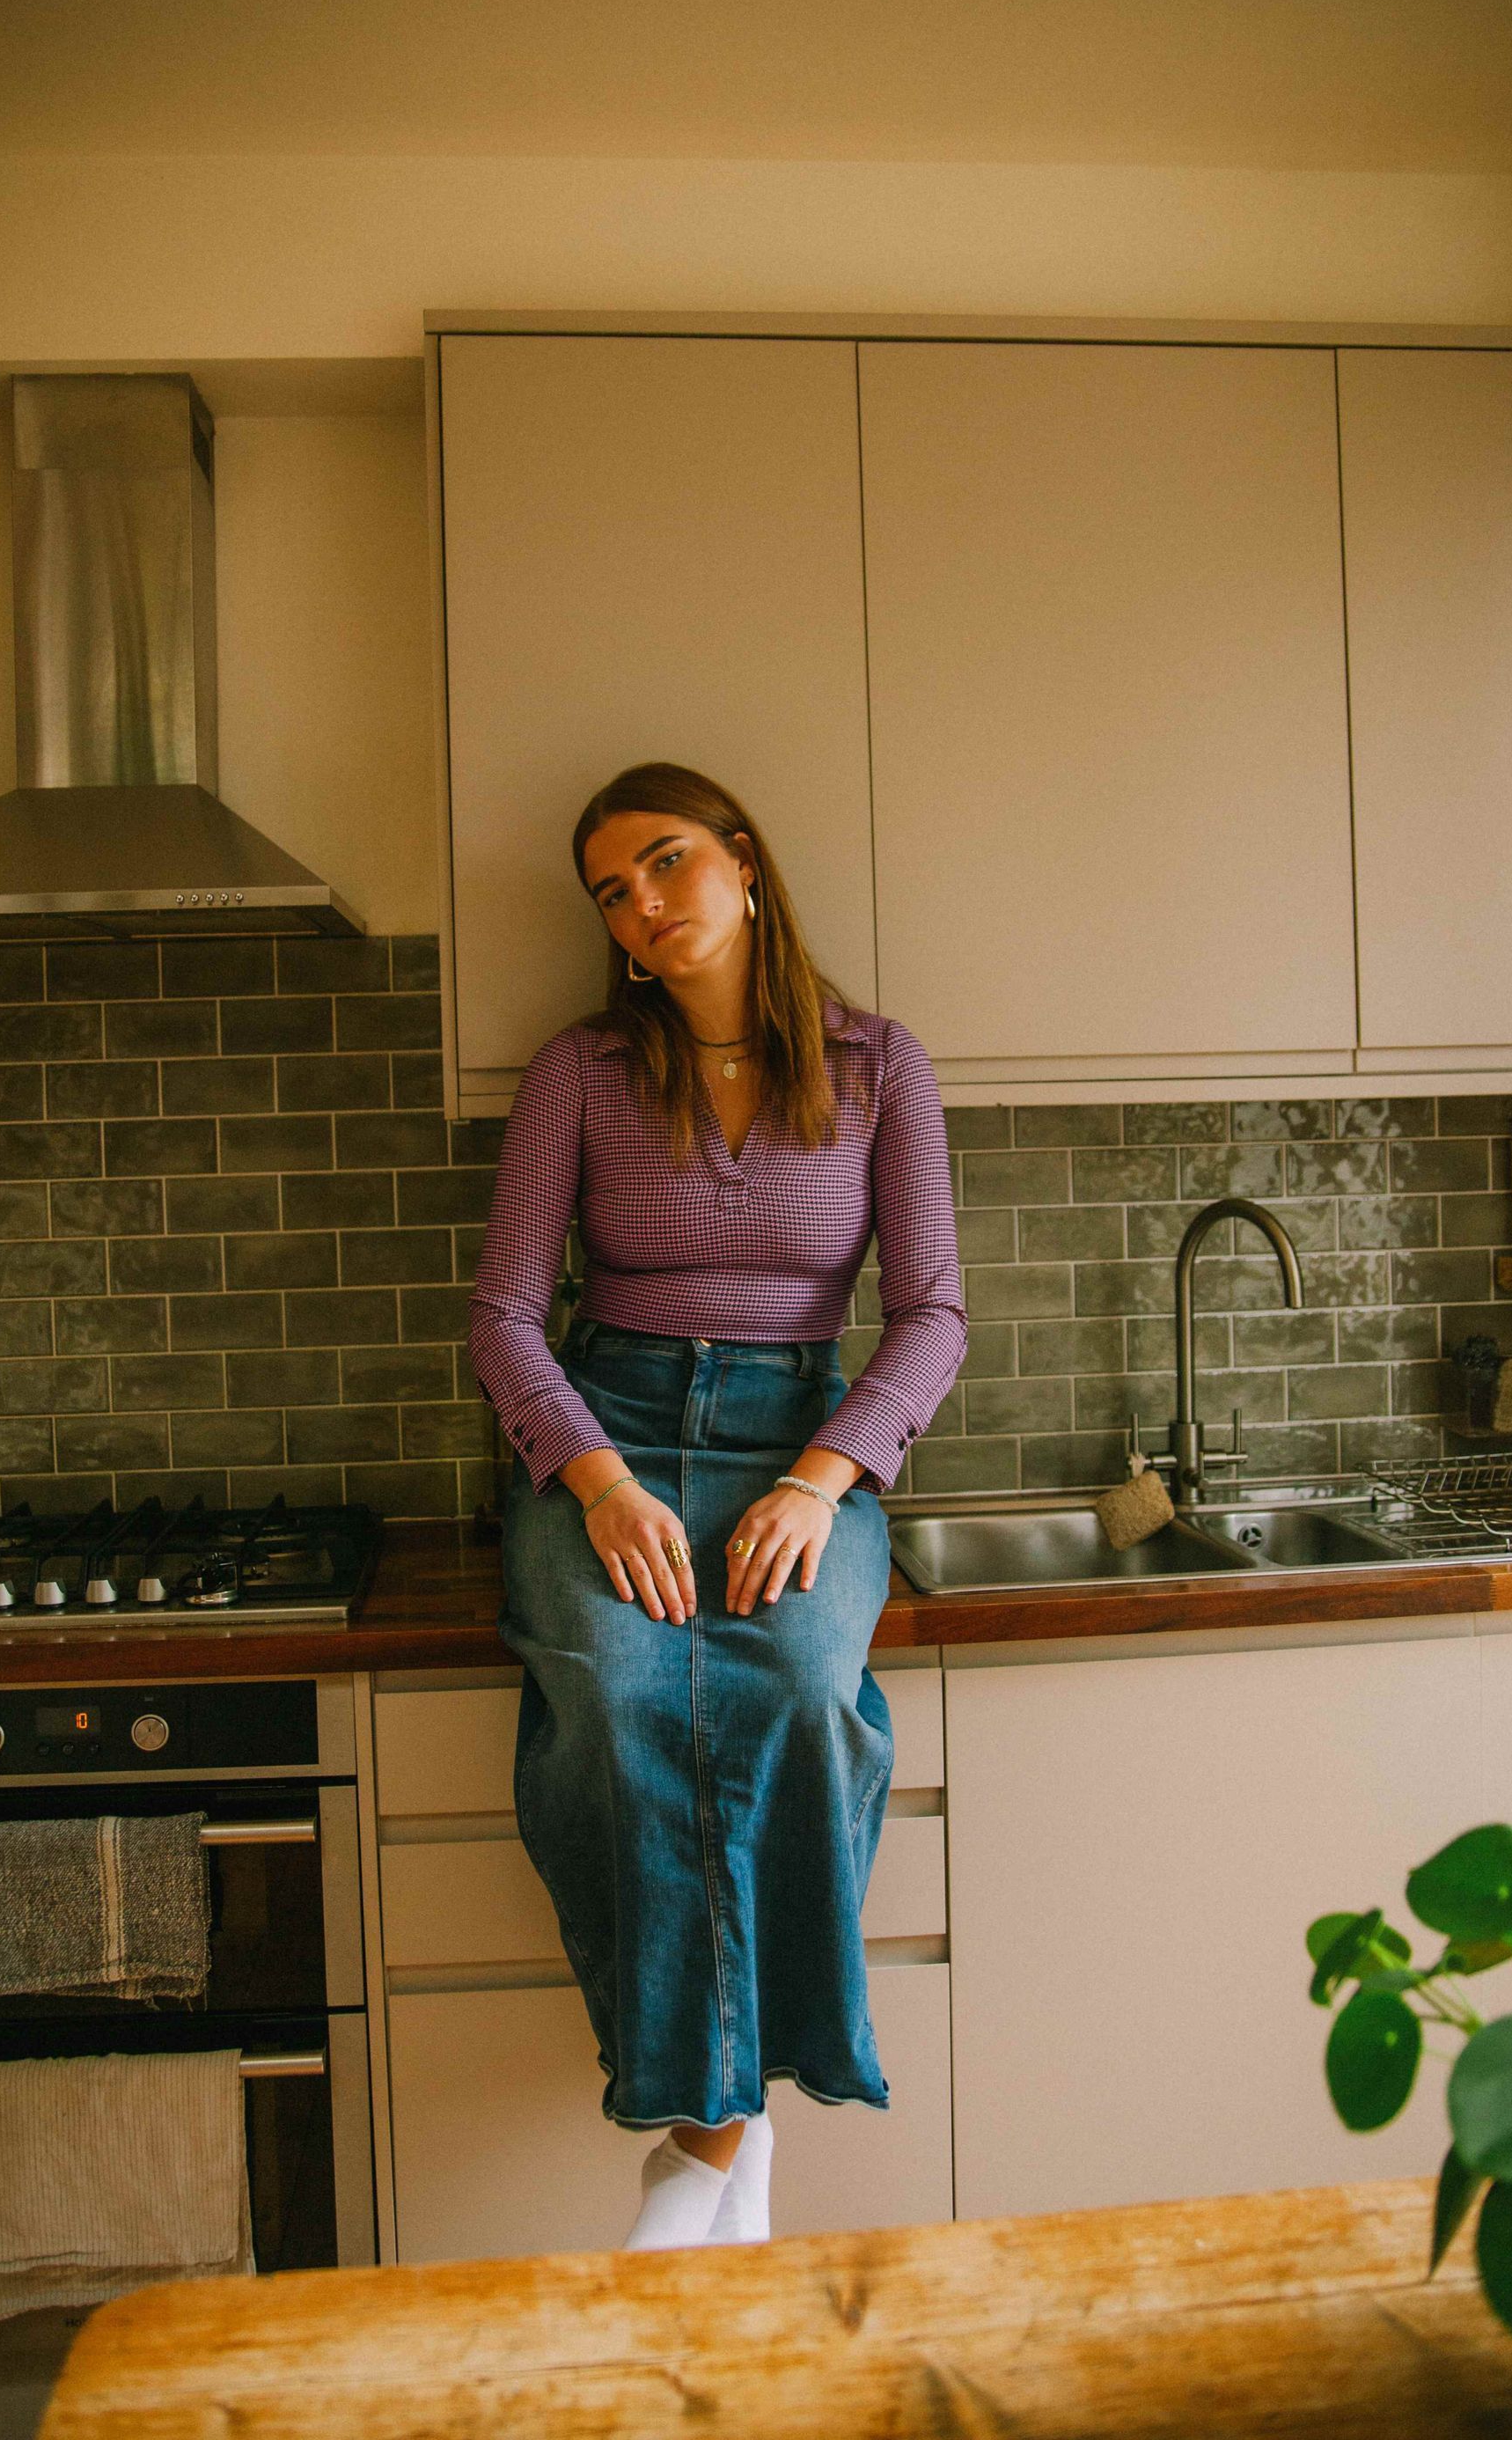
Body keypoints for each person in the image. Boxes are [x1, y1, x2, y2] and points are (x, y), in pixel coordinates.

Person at [466, 761, 965, 2250]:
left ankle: (700, 2160)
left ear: (745, 862)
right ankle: (717, 2137)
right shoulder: (581, 1072)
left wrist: (826, 1474)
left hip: (795, 1447)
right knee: (619, 1706)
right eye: (613, 892)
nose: (642, 907)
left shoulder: (883, 1066)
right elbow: (502, 1313)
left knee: (811, 1693)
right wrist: (595, 1481)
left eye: (665, 863)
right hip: (603, 1438)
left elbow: (933, 1311)